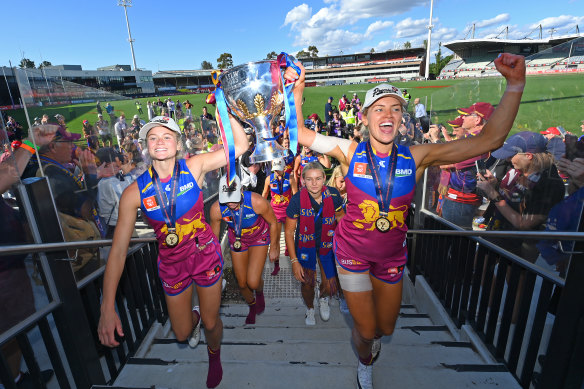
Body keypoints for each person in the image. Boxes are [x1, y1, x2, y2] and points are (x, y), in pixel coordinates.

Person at [285, 53, 526, 388]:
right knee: (367, 332)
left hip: (391, 258)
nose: (388, 114)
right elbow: (298, 132)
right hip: (351, 255)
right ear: (365, 117)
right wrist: (297, 91)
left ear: (401, 119)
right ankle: (364, 358)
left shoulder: (417, 157)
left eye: (395, 109)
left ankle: (369, 334)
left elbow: (488, 141)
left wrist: (515, 84)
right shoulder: (349, 151)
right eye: (379, 108)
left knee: (386, 327)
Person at [98, 115, 249, 389]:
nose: (160, 141)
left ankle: (214, 356)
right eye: (153, 137)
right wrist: (107, 306)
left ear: (178, 144)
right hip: (172, 264)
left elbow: (240, 146)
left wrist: (224, 112)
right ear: (146, 145)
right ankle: (198, 312)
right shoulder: (134, 193)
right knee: (181, 334)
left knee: (212, 325)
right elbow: (118, 252)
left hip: (204, 255)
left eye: (167, 136)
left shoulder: (195, 166)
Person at [0, 125, 57, 389]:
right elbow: (8, 175)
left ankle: (16, 377)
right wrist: (31, 143)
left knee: (15, 325)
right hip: (4, 272)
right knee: (12, 326)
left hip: (10, 266)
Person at [477, 131, 565, 259]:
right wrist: (495, 185)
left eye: (511, 155)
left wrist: (492, 194)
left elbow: (524, 224)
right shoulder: (517, 168)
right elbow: (513, 198)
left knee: (515, 278)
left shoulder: (550, 183)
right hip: (498, 234)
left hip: (521, 246)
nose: (507, 158)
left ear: (529, 155)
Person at [210, 175, 280, 325]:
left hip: (259, 237)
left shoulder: (257, 201)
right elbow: (214, 241)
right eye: (226, 199)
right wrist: (213, 262)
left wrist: (274, 247)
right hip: (237, 240)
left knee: (253, 282)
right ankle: (252, 306)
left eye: (234, 198)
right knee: (242, 283)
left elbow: (274, 223)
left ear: (241, 190)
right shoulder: (216, 209)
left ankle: (259, 292)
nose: (231, 203)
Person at [285, 162, 345, 325]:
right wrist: (294, 261)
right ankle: (310, 308)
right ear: (303, 181)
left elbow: (341, 219)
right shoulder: (296, 200)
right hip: (305, 246)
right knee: (307, 284)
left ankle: (323, 297)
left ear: (325, 178)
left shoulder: (333, 195)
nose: (314, 183)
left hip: (328, 243)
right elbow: (289, 232)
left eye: (318, 178)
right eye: (309, 179)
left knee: (329, 282)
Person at [440, 103, 494, 228]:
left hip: (460, 199)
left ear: (477, 119)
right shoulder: (475, 138)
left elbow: (446, 163)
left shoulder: (476, 140)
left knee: (454, 239)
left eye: (467, 115)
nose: (462, 118)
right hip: (462, 196)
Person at [262, 158, 298, 276]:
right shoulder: (269, 179)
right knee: (275, 240)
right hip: (275, 213)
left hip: (288, 212)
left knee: (289, 238)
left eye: (279, 169)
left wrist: (295, 211)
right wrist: (262, 209)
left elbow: (295, 196)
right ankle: (276, 266)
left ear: (284, 168)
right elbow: (264, 194)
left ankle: (293, 262)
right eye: (275, 170)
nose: (276, 172)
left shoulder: (290, 178)